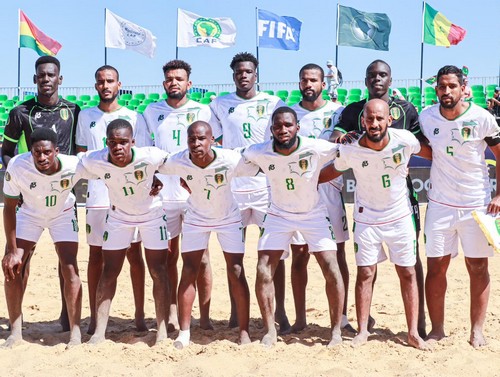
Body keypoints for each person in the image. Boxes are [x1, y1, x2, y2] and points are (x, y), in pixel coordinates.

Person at [320, 99, 431, 350]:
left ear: (389, 120)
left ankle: (413, 332)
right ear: (363, 121)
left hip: (400, 217)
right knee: (365, 274)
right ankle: (362, 332)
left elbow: (429, 152)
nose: (374, 123)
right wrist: (309, 180)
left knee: (407, 272)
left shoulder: (405, 139)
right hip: (366, 218)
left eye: (379, 118)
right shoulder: (351, 149)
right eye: (369, 119)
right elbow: (332, 171)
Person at [238, 106, 344, 347]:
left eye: (288, 125)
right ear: (271, 129)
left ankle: (336, 331)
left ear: (297, 127)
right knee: (264, 269)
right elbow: (233, 160)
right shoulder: (260, 151)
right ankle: (269, 331)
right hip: (278, 214)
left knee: (331, 267)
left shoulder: (315, 147)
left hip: (313, 213)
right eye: (277, 126)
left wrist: (320, 175)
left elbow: (345, 155)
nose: (283, 129)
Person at [419, 65, 500, 348]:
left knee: (478, 267)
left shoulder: (481, 117)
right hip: (440, 204)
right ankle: (437, 329)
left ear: (463, 87)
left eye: (452, 86)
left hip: (476, 205)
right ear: (436, 89)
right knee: (436, 267)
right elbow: (424, 149)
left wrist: (499, 195)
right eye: (442, 86)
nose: (446, 91)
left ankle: (477, 330)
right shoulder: (426, 117)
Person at [210, 52, 290, 332]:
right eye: (238, 72)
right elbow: (213, 141)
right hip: (235, 190)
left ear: (256, 74)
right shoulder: (219, 104)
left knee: (274, 256)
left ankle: (280, 312)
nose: (243, 76)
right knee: (235, 258)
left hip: (267, 188)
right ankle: (237, 311)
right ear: (233, 75)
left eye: (248, 72)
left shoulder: (273, 103)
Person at [1, 56, 80, 332]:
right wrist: (20, 185)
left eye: (51, 75)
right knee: (20, 259)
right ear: (35, 79)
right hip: (30, 196)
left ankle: (66, 318)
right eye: (41, 76)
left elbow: (79, 151)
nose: (46, 79)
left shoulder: (74, 109)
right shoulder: (20, 112)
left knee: (66, 261)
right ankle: (16, 324)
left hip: (62, 196)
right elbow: (7, 152)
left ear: (60, 79)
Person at [158, 121, 250, 348]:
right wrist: (152, 180)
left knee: (236, 269)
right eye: (192, 139)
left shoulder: (230, 159)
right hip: (197, 217)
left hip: (228, 216)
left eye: (201, 139)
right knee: (189, 268)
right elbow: (151, 165)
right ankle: (185, 333)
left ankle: (245, 331)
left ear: (212, 141)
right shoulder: (178, 160)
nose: (196, 143)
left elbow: (257, 165)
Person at [79, 119, 170, 345]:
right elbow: (70, 165)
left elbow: (181, 164)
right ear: (106, 143)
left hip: (151, 215)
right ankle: (100, 331)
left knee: (158, 271)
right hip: (119, 216)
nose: (118, 147)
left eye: (123, 142)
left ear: (133, 142)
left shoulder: (150, 155)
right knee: (109, 271)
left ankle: (161, 330)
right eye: (112, 142)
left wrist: (159, 178)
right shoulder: (95, 159)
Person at [75, 65, 151, 334]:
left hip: (128, 196)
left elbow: (141, 155)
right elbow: (83, 156)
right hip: (96, 195)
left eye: (110, 81)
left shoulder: (134, 116)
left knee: (134, 254)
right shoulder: (85, 116)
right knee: (96, 255)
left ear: (119, 84)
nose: (105, 85)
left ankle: (140, 315)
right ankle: (96, 318)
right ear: (95, 86)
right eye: (100, 81)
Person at [143, 59, 218, 331]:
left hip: (196, 194)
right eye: (169, 79)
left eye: (179, 78)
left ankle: (206, 316)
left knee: (202, 257)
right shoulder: (151, 111)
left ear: (189, 83)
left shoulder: (202, 110)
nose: (174, 82)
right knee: (169, 256)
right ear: (164, 83)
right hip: (165, 195)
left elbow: (214, 148)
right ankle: (173, 313)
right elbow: (144, 150)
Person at [288, 63, 353, 332]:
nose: (308, 84)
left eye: (313, 79)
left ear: (323, 84)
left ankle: (343, 317)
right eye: (304, 80)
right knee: (299, 255)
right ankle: (300, 318)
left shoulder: (337, 113)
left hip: (330, 191)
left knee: (337, 254)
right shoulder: (290, 114)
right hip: (298, 193)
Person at [2, 128, 82, 348]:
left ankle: (75, 333)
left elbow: (105, 167)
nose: (42, 157)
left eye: (47, 152)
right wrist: (11, 249)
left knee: (70, 268)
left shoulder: (74, 164)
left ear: (56, 151)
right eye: (37, 152)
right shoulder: (18, 165)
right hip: (29, 214)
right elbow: (8, 208)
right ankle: (16, 331)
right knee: (12, 267)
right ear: (31, 151)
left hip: (62, 214)